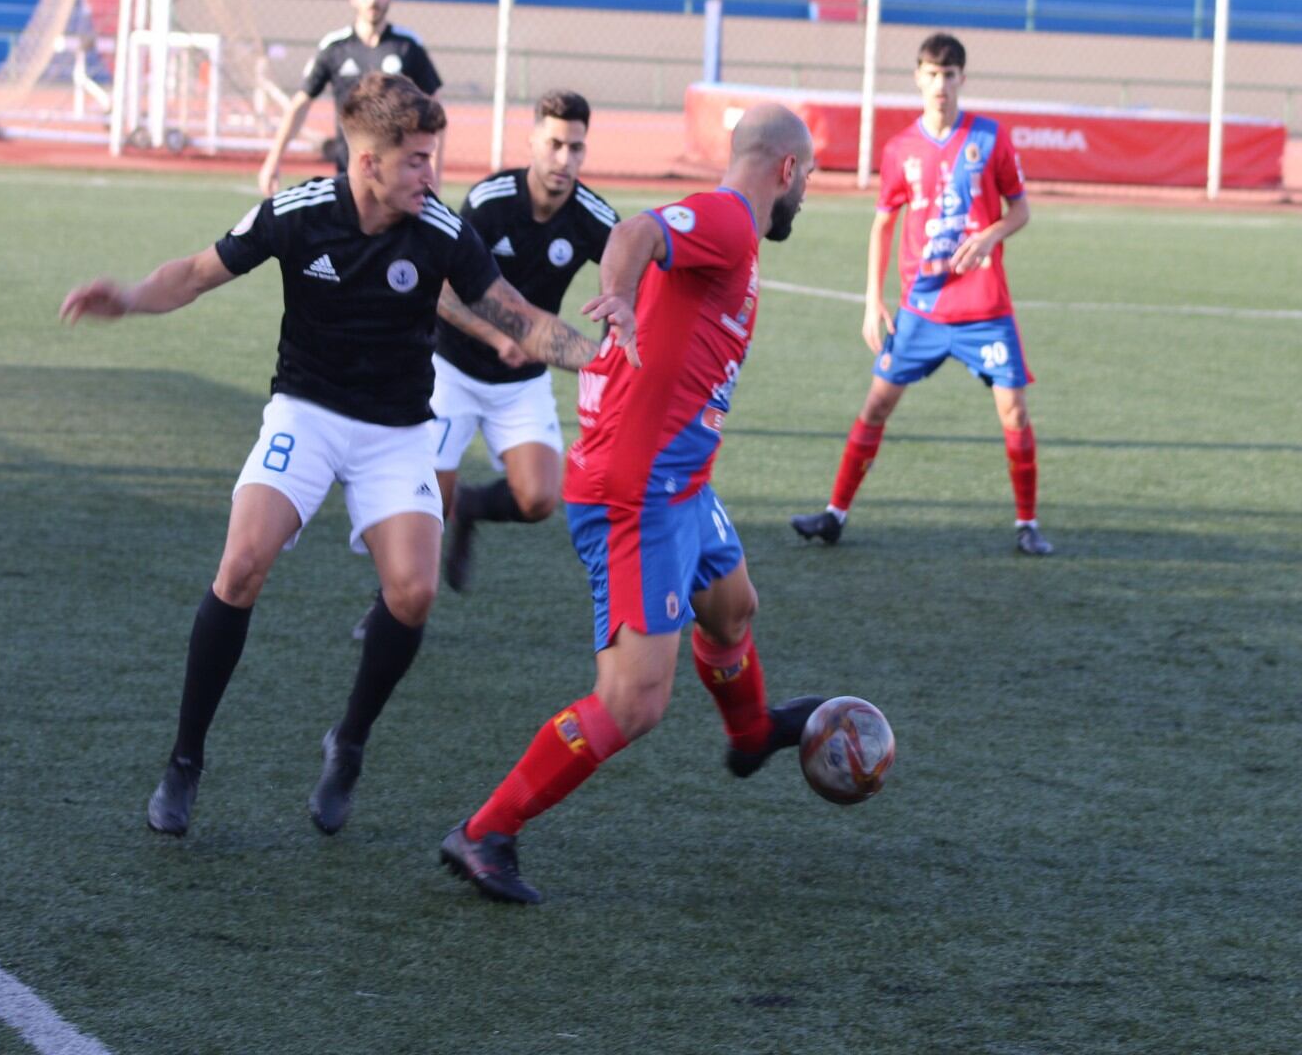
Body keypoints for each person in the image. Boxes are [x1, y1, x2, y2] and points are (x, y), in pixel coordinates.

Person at [59, 73, 614, 839]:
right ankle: (185, 759)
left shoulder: (441, 230)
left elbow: (517, 317)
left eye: (433, 157)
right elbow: (194, 274)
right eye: (417, 160)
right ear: (367, 163)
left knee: (414, 593)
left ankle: (347, 743)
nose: (432, 174)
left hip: (396, 430)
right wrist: (125, 296)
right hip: (308, 413)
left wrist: (607, 361)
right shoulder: (300, 213)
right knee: (242, 563)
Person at [438, 103, 821, 905]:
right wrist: (616, 295)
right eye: (809, 179)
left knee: (733, 607)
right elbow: (635, 232)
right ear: (786, 170)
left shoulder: (733, 232)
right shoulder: (728, 218)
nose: (806, 195)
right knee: (635, 700)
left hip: (681, 480)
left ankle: (749, 735)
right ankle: (484, 832)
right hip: (635, 491)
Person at [349, 90, 617, 641]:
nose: (564, 160)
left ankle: (473, 505)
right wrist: (499, 334)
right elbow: (440, 292)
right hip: (451, 369)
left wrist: (617, 329)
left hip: (523, 380)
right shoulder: (491, 201)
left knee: (540, 498)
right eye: (555, 145)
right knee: (424, 507)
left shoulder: (594, 217)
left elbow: (627, 285)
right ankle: (387, 602)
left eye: (576, 149)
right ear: (532, 142)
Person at [791, 32, 1053, 557]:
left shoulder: (990, 137)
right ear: (918, 77)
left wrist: (990, 234)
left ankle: (1027, 523)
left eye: (950, 75)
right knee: (876, 406)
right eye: (932, 74)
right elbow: (882, 225)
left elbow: (1020, 209)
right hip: (921, 309)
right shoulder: (900, 149)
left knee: (1015, 415)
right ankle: (835, 514)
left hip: (984, 309)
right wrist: (873, 299)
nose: (940, 85)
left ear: (962, 79)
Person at [256, 0, 444, 196]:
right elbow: (301, 104)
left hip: (399, 181)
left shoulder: (408, 46)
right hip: (349, 177)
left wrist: (433, 174)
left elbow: (435, 111)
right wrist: (273, 159)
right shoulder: (335, 47)